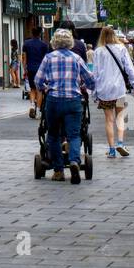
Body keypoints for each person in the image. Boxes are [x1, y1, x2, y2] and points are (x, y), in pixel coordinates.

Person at [33, 29, 95, 183]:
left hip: (53, 100)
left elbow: (38, 80)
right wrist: (84, 86)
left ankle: (59, 170)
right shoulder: (76, 58)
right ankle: (74, 161)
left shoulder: (48, 58)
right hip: (73, 100)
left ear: (54, 42)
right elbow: (90, 80)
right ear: (70, 42)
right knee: (74, 135)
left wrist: (44, 87)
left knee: (53, 135)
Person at [92, 27, 134, 159]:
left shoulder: (98, 51)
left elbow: (95, 73)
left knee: (109, 120)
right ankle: (120, 143)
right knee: (120, 117)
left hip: (104, 91)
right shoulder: (121, 48)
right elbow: (129, 69)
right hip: (119, 89)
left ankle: (112, 149)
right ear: (114, 35)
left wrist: (94, 92)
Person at [22, 29, 48, 117]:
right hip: (40, 69)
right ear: (40, 34)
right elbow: (45, 59)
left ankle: (32, 105)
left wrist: (25, 69)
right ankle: (38, 111)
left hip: (30, 69)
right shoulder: (44, 45)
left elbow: (24, 58)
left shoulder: (26, 44)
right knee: (39, 90)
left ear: (32, 33)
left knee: (32, 88)